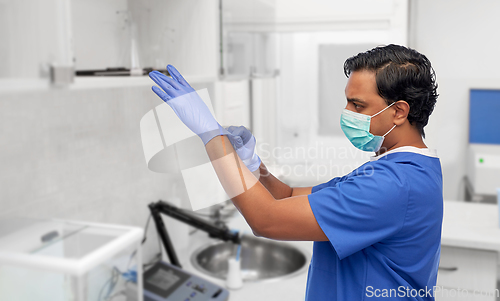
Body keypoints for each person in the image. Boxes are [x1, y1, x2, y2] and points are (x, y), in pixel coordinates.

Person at [148, 44, 442, 301]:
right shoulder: (399, 168)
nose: (347, 112)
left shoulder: (393, 184)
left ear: (399, 112)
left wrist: (212, 136)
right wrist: (253, 165)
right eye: (348, 101)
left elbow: (266, 220)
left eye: (358, 105)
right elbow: (287, 196)